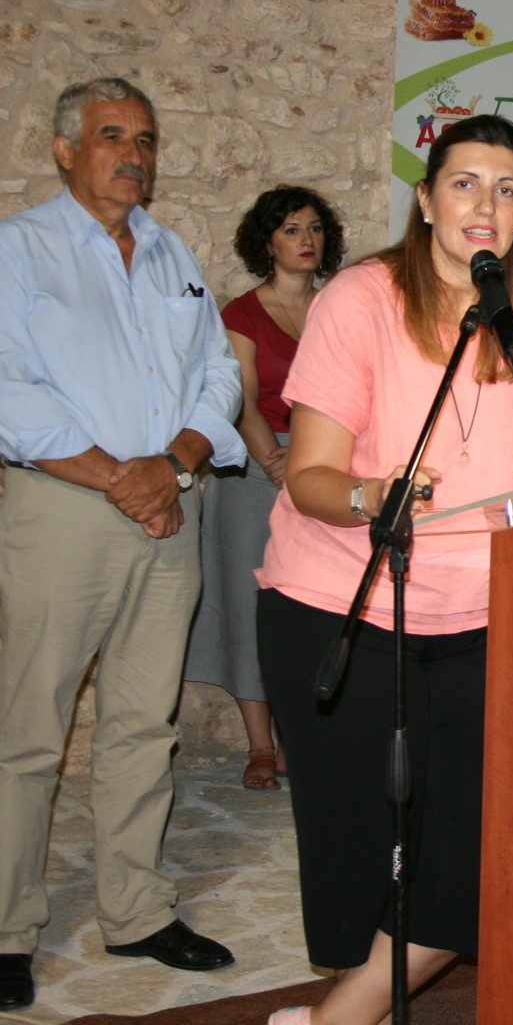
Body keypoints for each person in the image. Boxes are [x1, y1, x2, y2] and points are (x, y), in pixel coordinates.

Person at [254, 116, 513, 1025]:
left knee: (477, 854)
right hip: (344, 607)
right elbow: (311, 474)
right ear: (426, 200)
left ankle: (337, 1021)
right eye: (465, 183)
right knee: (364, 852)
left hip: (482, 617)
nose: (486, 204)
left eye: (507, 189)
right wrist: (372, 495)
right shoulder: (359, 299)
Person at [0, 78, 243, 1013]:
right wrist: (129, 478)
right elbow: (14, 396)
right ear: (64, 150)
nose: (133, 154)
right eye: (112, 135)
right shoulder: (15, 250)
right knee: (29, 734)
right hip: (66, 513)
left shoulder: (174, 256)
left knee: (142, 724)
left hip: (169, 509)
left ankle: (135, 910)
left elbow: (217, 373)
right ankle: (9, 933)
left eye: (146, 139)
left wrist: (175, 463)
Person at [184, 186, 345, 790]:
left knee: (316, 606)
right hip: (257, 468)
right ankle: (259, 746)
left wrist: (311, 461)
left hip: (326, 464)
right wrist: (275, 460)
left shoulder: (339, 306)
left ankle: (300, 738)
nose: (306, 240)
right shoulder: (243, 314)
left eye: (314, 228)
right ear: (267, 243)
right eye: (291, 230)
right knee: (249, 604)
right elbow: (241, 399)